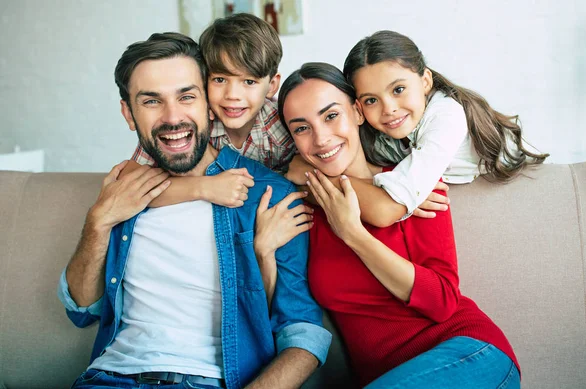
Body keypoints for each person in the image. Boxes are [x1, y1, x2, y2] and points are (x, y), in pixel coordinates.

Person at [57, 32, 331, 389]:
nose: (173, 118)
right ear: (128, 113)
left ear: (206, 102)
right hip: (109, 379)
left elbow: (304, 334)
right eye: (152, 101)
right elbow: (81, 310)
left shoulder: (270, 195)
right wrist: (98, 221)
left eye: (186, 96)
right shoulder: (125, 192)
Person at [272, 62, 520, 388]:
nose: (320, 138)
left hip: (470, 354)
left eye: (331, 116)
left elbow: (443, 300)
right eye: (302, 128)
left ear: (358, 112)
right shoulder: (303, 206)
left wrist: (354, 234)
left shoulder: (410, 186)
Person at [342, 30, 548, 220]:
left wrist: (407, 193)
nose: (388, 109)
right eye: (371, 100)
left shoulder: (447, 117)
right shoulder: (383, 127)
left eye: (398, 89)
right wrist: (407, 188)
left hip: (526, 187)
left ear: (425, 82)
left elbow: (389, 206)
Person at [127, 13, 295, 210]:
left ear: (272, 86)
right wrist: (204, 187)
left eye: (249, 82)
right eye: (220, 80)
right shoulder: (191, 122)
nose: (232, 95)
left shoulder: (281, 124)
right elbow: (130, 185)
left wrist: (301, 168)